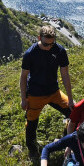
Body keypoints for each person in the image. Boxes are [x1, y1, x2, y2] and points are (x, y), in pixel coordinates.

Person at [20, 25, 74, 157]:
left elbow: (65, 75)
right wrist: (23, 99)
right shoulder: (30, 54)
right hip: (35, 94)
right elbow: (23, 77)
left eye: (51, 44)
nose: (48, 47)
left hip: (54, 92)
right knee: (31, 124)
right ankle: (33, 151)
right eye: (45, 44)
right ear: (39, 38)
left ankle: (67, 139)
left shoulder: (60, 50)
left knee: (73, 112)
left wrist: (71, 99)